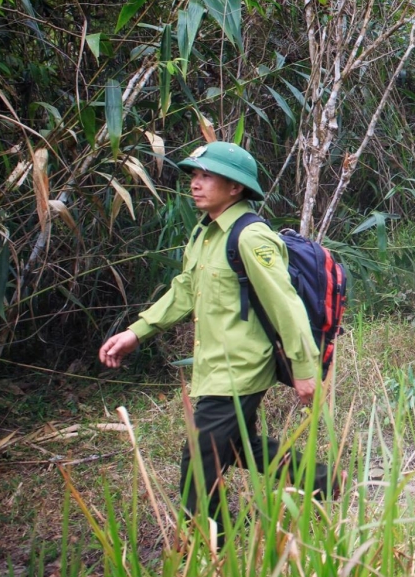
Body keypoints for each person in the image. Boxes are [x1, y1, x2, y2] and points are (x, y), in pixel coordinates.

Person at [98, 141, 331, 542]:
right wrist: (136, 332)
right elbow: (185, 290)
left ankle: (209, 543)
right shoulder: (204, 233)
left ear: (235, 187)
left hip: (240, 368)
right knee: (236, 447)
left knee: (199, 461)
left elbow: (286, 307)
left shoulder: (250, 237)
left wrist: (306, 372)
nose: (195, 183)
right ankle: (327, 481)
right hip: (215, 366)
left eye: (206, 175)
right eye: (194, 174)